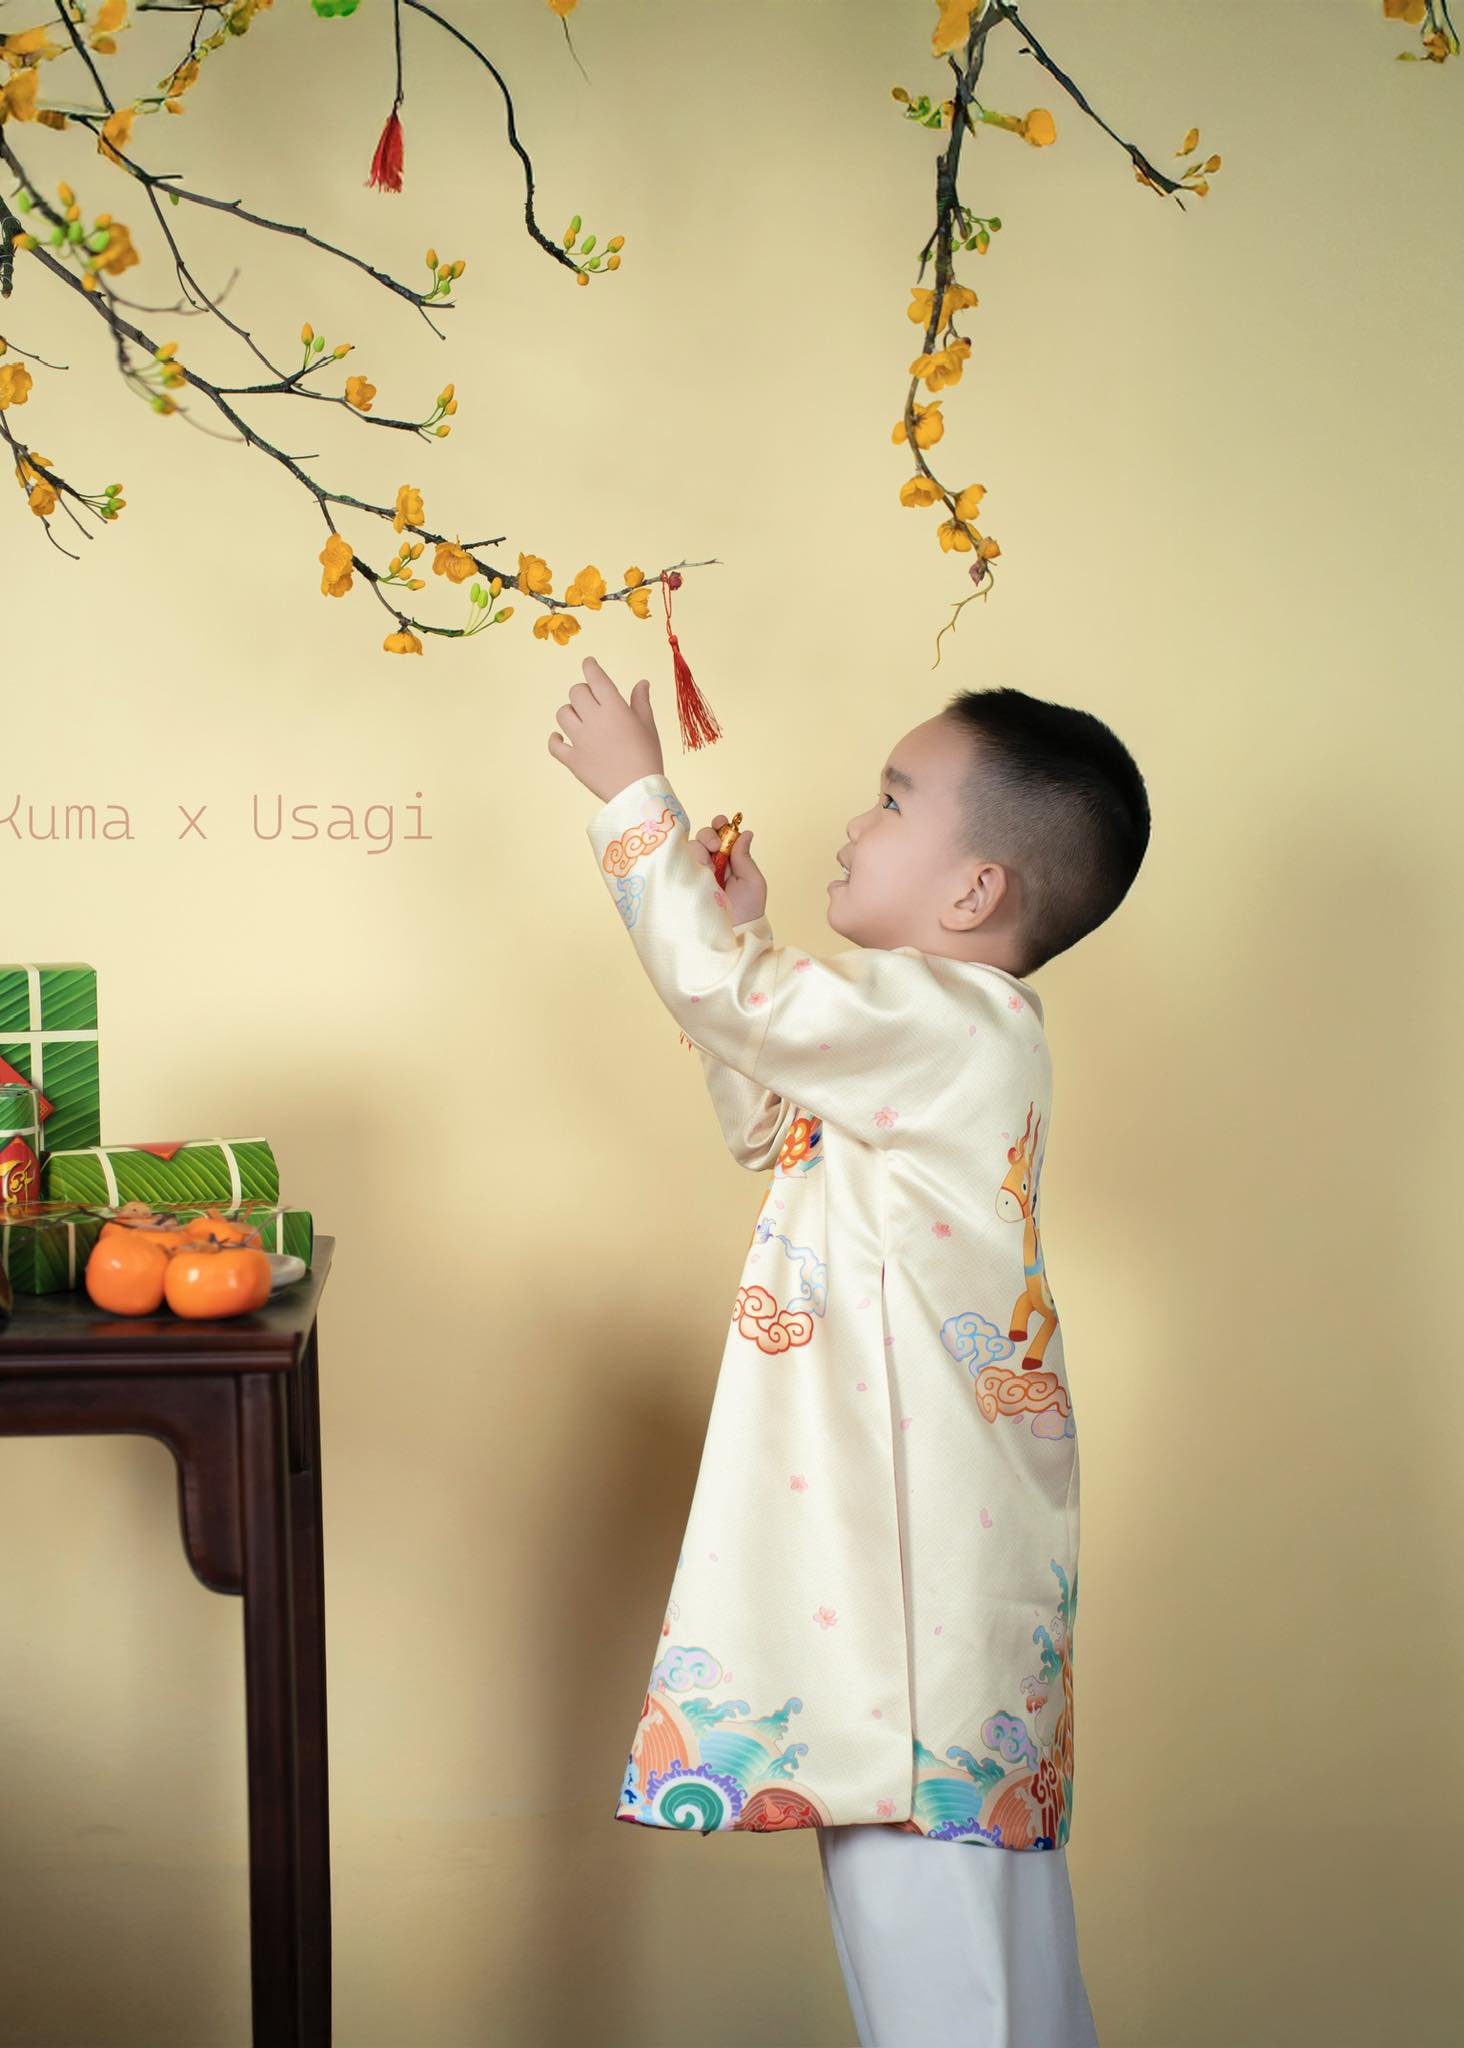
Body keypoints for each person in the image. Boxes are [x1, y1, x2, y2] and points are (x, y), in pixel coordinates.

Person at [549, 654, 1149, 2046]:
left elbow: (730, 1000)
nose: (855, 821)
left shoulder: (945, 1019)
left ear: (974, 892)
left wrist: (635, 799)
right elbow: (765, 1115)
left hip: (913, 1605)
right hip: (921, 1592)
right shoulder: (928, 1041)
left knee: (947, 1973)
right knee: (984, 1960)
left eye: (891, 799)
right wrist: (738, 925)